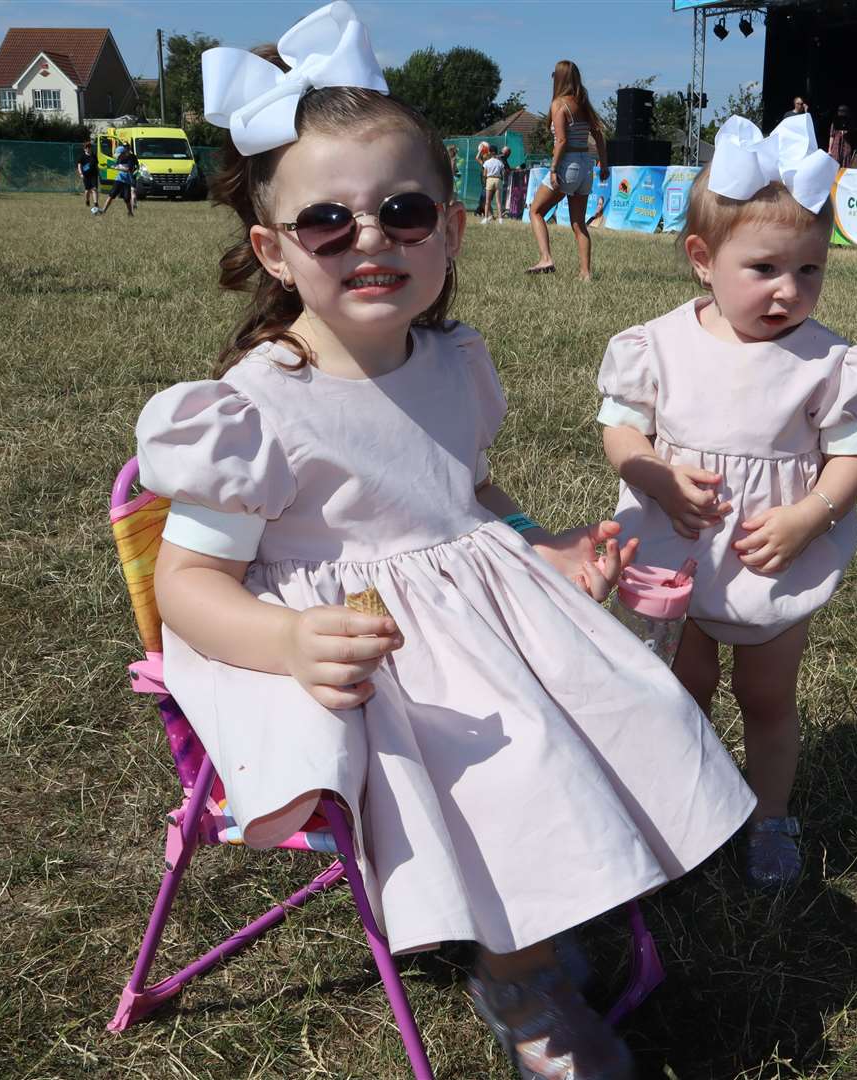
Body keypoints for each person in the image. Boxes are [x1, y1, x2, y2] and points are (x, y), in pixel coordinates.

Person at [144, 7, 753, 1077]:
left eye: (404, 211)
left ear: (452, 229)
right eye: (328, 221)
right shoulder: (253, 409)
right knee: (514, 760)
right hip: (336, 651)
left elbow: (464, 490)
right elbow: (188, 584)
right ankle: (520, 984)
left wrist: (543, 545)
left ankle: (569, 892)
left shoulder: (449, 362)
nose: (370, 239)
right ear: (275, 251)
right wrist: (288, 644)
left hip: (470, 606)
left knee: (622, 698)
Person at [597, 112, 857, 891]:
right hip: (677, 554)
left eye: (810, 271)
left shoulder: (832, 361)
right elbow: (623, 433)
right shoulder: (656, 346)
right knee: (682, 689)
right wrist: (652, 475)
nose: (788, 291)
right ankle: (690, 805)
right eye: (764, 269)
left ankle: (770, 816)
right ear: (703, 260)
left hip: (772, 555)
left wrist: (810, 517)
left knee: (767, 696)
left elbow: (850, 458)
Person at [525, 60, 609, 279]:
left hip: (567, 164)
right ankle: (585, 273)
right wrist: (604, 164)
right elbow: (599, 135)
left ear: (559, 78)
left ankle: (546, 258)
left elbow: (561, 141)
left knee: (536, 211)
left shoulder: (559, 104)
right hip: (586, 166)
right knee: (578, 222)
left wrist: (553, 169)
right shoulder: (584, 104)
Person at [96, 143, 139, 216]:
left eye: (119, 154)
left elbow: (127, 169)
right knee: (111, 194)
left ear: (124, 152)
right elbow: (117, 165)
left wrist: (117, 167)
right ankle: (103, 210)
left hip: (127, 181)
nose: (118, 156)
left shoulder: (131, 158)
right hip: (119, 179)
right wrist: (112, 166)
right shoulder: (120, 157)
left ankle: (130, 212)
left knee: (126, 198)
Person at [480, 143, 504, 223]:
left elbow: (484, 174)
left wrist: (485, 182)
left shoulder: (487, 162)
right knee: (498, 201)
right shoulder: (500, 162)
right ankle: (500, 219)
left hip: (489, 180)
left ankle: (486, 218)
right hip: (498, 180)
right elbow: (503, 173)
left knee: (487, 201)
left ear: (490, 152)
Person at [75, 140, 97, 207]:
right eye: (86, 147)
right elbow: (79, 166)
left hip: (94, 175)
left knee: (94, 189)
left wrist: (99, 173)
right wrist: (81, 173)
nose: (88, 148)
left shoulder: (94, 156)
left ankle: (96, 203)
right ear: (84, 149)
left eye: (89, 147)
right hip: (86, 176)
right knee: (87, 190)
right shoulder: (82, 156)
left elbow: (96, 165)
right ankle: (87, 200)